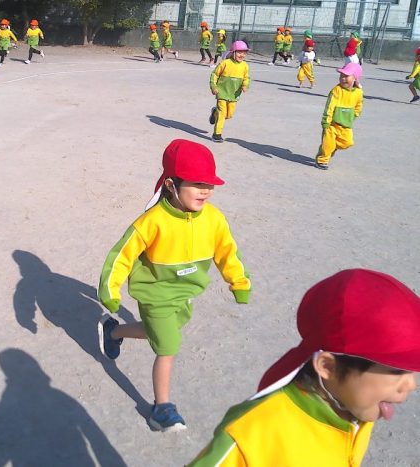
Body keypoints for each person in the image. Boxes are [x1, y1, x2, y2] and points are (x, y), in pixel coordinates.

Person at [189, 268, 420, 467]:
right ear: (327, 367)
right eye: (396, 370)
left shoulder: (353, 406)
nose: (411, 384)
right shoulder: (250, 436)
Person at [98, 139, 250, 432]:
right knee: (168, 346)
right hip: (155, 293)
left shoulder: (214, 219)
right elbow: (122, 255)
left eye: (210, 184)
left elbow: (228, 251)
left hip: (185, 293)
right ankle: (162, 409)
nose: (206, 190)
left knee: (158, 333)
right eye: (197, 184)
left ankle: (113, 332)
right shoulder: (152, 221)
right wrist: (110, 289)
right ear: (171, 184)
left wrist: (238, 281)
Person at [315, 63, 363, 170]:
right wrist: (326, 122)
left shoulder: (358, 92)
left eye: (346, 76)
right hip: (332, 124)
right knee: (328, 144)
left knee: (347, 142)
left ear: (355, 78)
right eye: (341, 76)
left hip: (346, 124)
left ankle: (330, 148)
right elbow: (329, 107)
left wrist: (354, 115)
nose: (343, 79)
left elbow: (359, 105)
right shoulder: (336, 90)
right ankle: (322, 160)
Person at [209, 40, 250, 143]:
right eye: (239, 52)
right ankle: (217, 135)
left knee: (229, 115)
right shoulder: (225, 63)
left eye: (244, 53)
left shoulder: (245, 66)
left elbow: (246, 78)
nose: (242, 55)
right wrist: (213, 86)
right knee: (222, 114)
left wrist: (245, 85)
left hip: (234, 94)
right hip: (222, 92)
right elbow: (215, 74)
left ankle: (215, 113)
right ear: (233, 52)